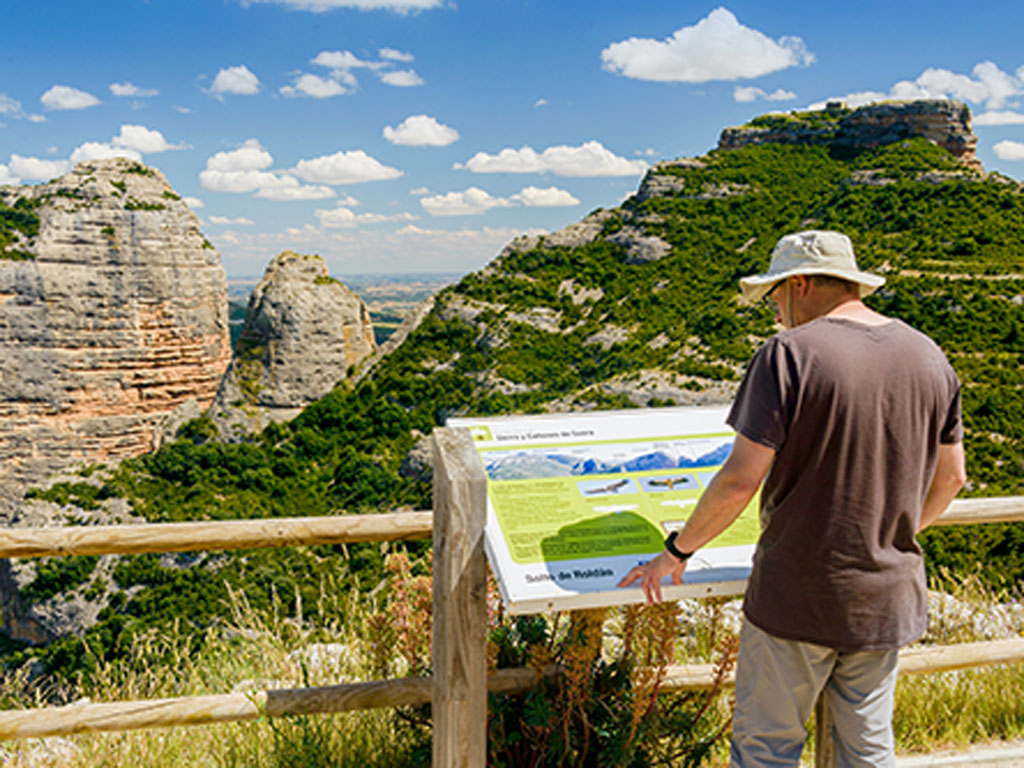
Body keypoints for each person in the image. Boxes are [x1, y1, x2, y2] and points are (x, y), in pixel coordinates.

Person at [618, 230, 966, 767]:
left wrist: (677, 552)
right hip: (886, 595)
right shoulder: (928, 355)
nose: (776, 315)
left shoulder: (788, 355)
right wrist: (890, 534)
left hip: (797, 593)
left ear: (799, 284)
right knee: (869, 750)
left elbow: (740, 479)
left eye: (776, 298)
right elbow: (951, 480)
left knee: (766, 750)